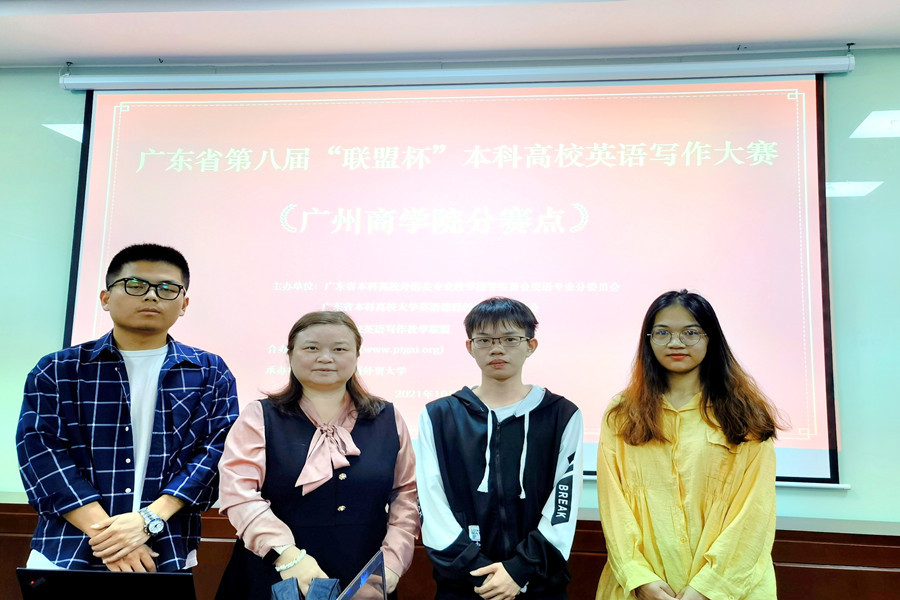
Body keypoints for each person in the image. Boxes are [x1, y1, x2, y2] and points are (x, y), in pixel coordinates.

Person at [16, 243, 239, 573]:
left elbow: (215, 454)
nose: (151, 296)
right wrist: (111, 538)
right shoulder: (58, 369)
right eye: (135, 285)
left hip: (162, 552)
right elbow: (41, 454)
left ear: (183, 304)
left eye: (167, 289)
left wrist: (147, 520)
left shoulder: (209, 371)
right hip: (66, 551)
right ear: (105, 298)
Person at [215, 310, 419, 600]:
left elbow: (405, 496)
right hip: (274, 571)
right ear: (290, 354)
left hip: (365, 577)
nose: (325, 358)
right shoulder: (259, 416)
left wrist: (391, 568)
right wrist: (289, 558)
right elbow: (239, 495)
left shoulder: (388, 417)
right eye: (311, 348)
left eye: (339, 349)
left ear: (357, 355)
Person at [596, 290, 782, 600]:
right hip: (643, 588)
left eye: (690, 333)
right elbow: (613, 504)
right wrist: (638, 577)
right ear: (648, 340)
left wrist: (707, 588)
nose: (676, 343)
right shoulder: (623, 413)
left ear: (711, 339)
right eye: (662, 333)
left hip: (730, 587)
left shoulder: (744, 413)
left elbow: (755, 511)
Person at [416, 297, 584, 600]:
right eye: (484, 340)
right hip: (465, 586)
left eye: (509, 339)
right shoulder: (439, 416)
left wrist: (519, 570)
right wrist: (481, 572)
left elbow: (564, 504)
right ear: (470, 347)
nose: (497, 349)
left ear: (531, 345)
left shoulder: (562, 414)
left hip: (540, 585)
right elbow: (431, 503)